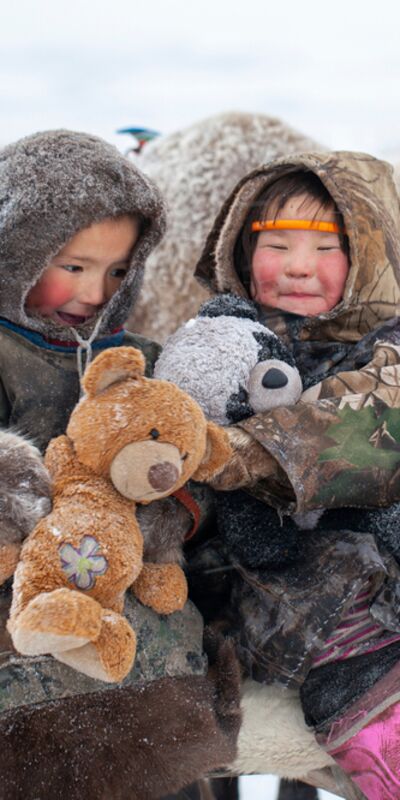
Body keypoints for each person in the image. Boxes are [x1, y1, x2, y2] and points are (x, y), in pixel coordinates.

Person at [0, 129, 240, 799]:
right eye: (72, 266)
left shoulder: (144, 357)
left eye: (116, 270)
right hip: (27, 611)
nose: (93, 290)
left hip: (149, 629)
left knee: (167, 748)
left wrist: (179, 504)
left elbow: (198, 459)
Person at [193, 151, 400, 799]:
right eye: (275, 244)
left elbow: (371, 424)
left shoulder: (388, 346)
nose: (298, 266)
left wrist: (245, 453)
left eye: (327, 248)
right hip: (286, 585)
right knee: (328, 600)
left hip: (375, 546)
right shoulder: (219, 341)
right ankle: (372, 721)